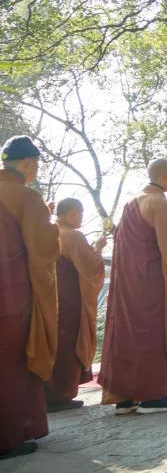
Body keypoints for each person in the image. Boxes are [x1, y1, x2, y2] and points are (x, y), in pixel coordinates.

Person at [98, 158, 167, 414]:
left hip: (127, 283)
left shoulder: (130, 203)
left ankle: (124, 398)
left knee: (128, 333)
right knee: (152, 333)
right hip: (151, 282)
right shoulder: (159, 203)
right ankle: (152, 395)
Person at [0, 136, 58, 459]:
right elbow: (45, 250)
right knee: (12, 364)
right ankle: (9, 437)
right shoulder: (26, 197)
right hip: (12, 296)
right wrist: (48, 224)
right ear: (28, 164)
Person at [45, 198, 105, 412]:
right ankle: (60, 394)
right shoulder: (73, 235)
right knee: (68, 343)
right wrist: (97, 249)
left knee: (52, 343)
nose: (80, 217)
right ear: (71, 213)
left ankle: (46, 393)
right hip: (69, 298)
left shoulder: (48, 232)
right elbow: (92, 267)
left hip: (48, 297)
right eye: (79, 213)